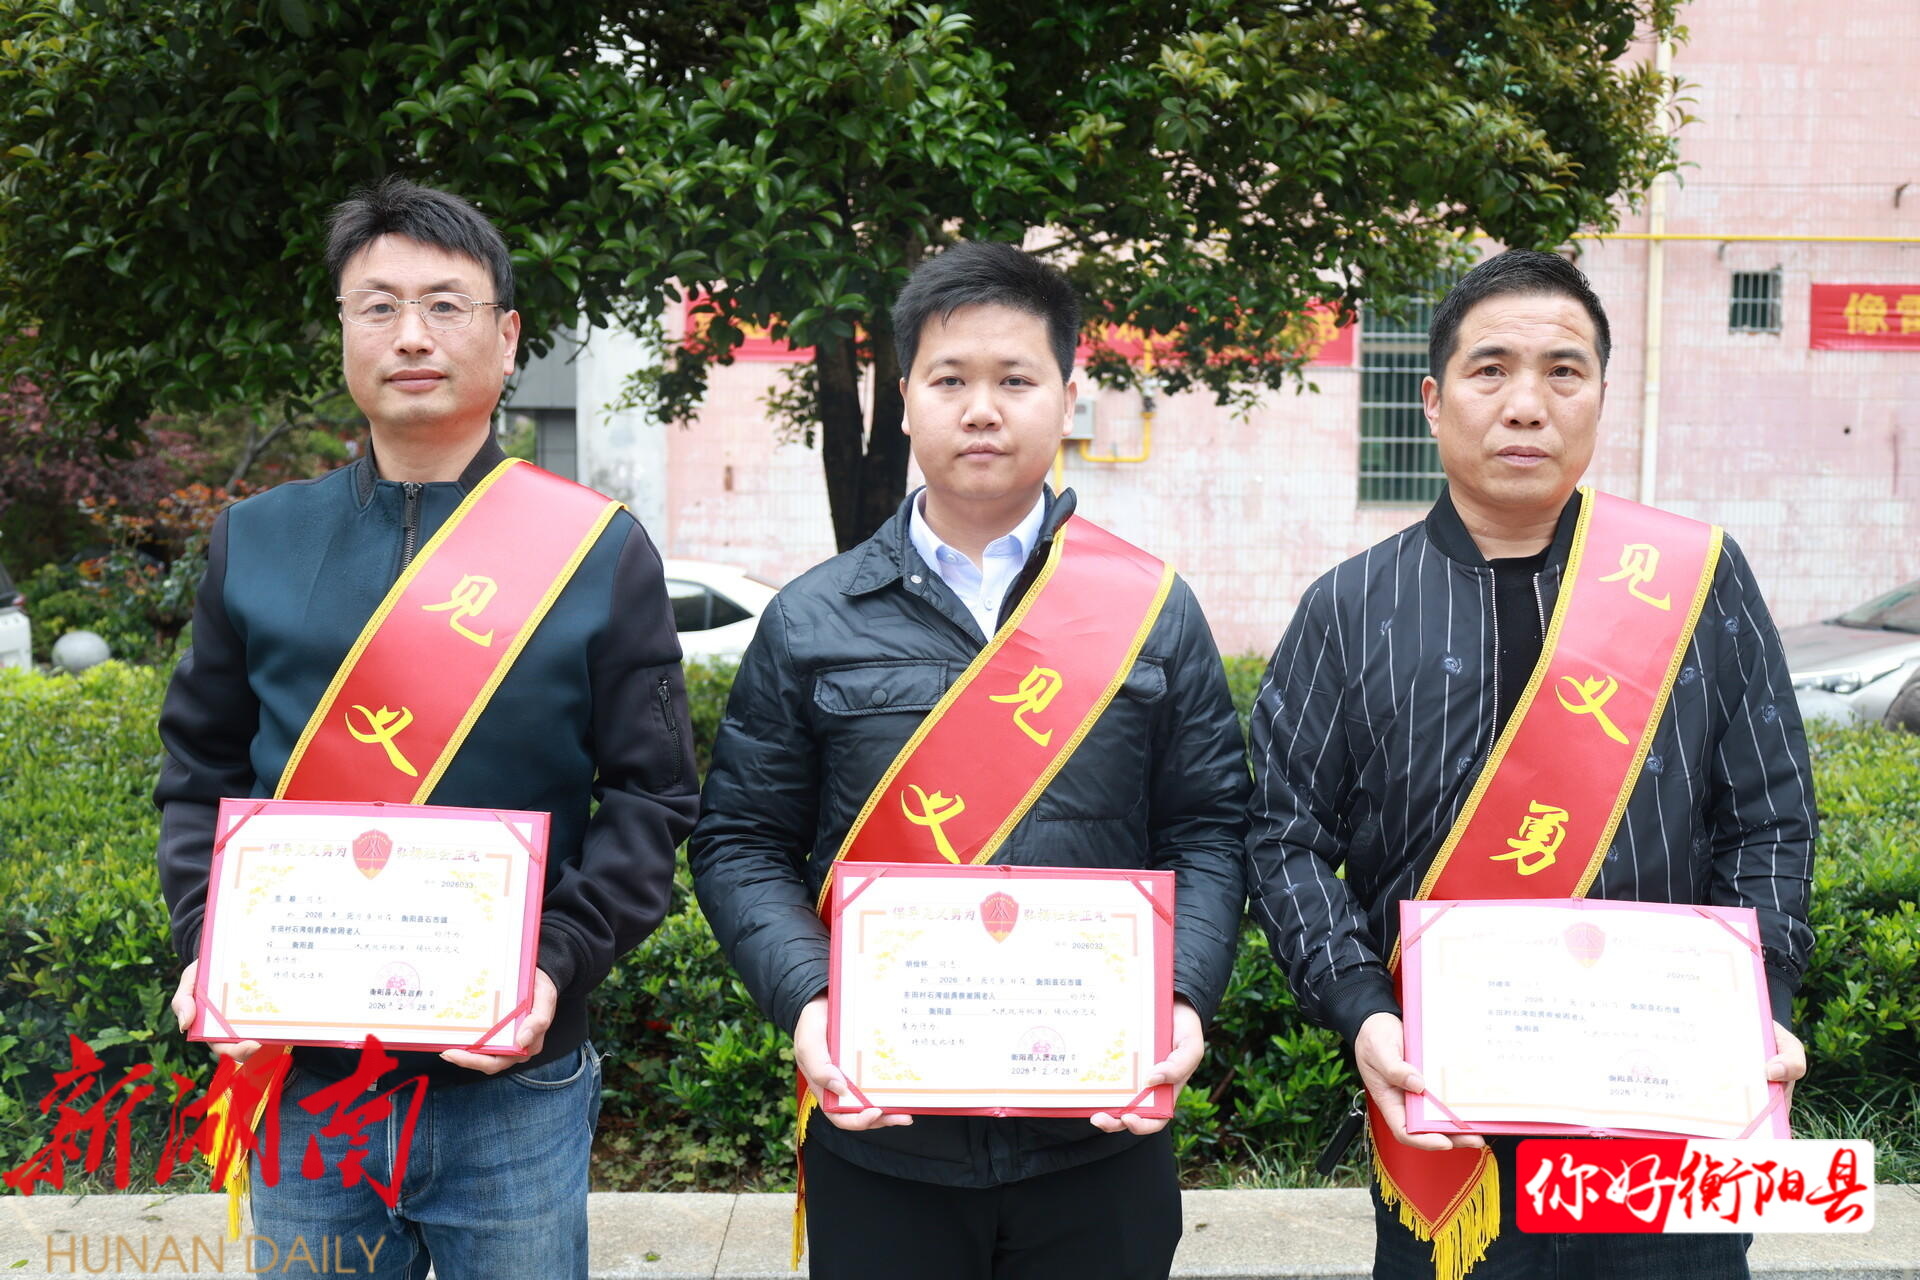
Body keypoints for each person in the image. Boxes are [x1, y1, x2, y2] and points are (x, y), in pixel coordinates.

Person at [155, 177, 698, 1278]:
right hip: (306, 1079)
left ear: (508, 337)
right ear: (343, 332)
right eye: (379, 305)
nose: (412, 335)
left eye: (446, 305)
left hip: (513, 1081)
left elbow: (653, 797)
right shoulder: (256, 540)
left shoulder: (596, 550)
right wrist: (210, 943)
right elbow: (201, 767)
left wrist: (554, 967)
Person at [1245, 249, 1815, 1280]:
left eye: (1563, 371)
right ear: (1432, 400)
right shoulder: (1350, 606)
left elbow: (1769, 814)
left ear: (1600, 396)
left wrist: (1762, 997)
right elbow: (1282, 835)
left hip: (1668, 1113)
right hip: (1446, 1120)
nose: (1526, 404)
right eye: (1491, 369)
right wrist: (1361, 1009)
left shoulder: (1694, 581)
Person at [689, 241, 1248, 1280]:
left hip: (1098, 1136)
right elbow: (740, 842)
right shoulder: (812, 617)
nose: (982, 409)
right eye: (950, 380)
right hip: (884, 1137)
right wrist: (810, 1001)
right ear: (905, 399)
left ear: (1068, 397)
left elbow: (1208, 828)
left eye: (1015, 380)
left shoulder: (1149, 611)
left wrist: (1181, 997)